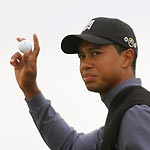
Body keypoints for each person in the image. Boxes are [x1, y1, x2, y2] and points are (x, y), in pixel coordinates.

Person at [10, 17, 150, 150]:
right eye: (82, 56)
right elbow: (71, 146)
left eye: (95, 53)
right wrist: (30, 89)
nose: (85, 64)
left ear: (126, 58)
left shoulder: (134, 114)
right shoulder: (124, 113)